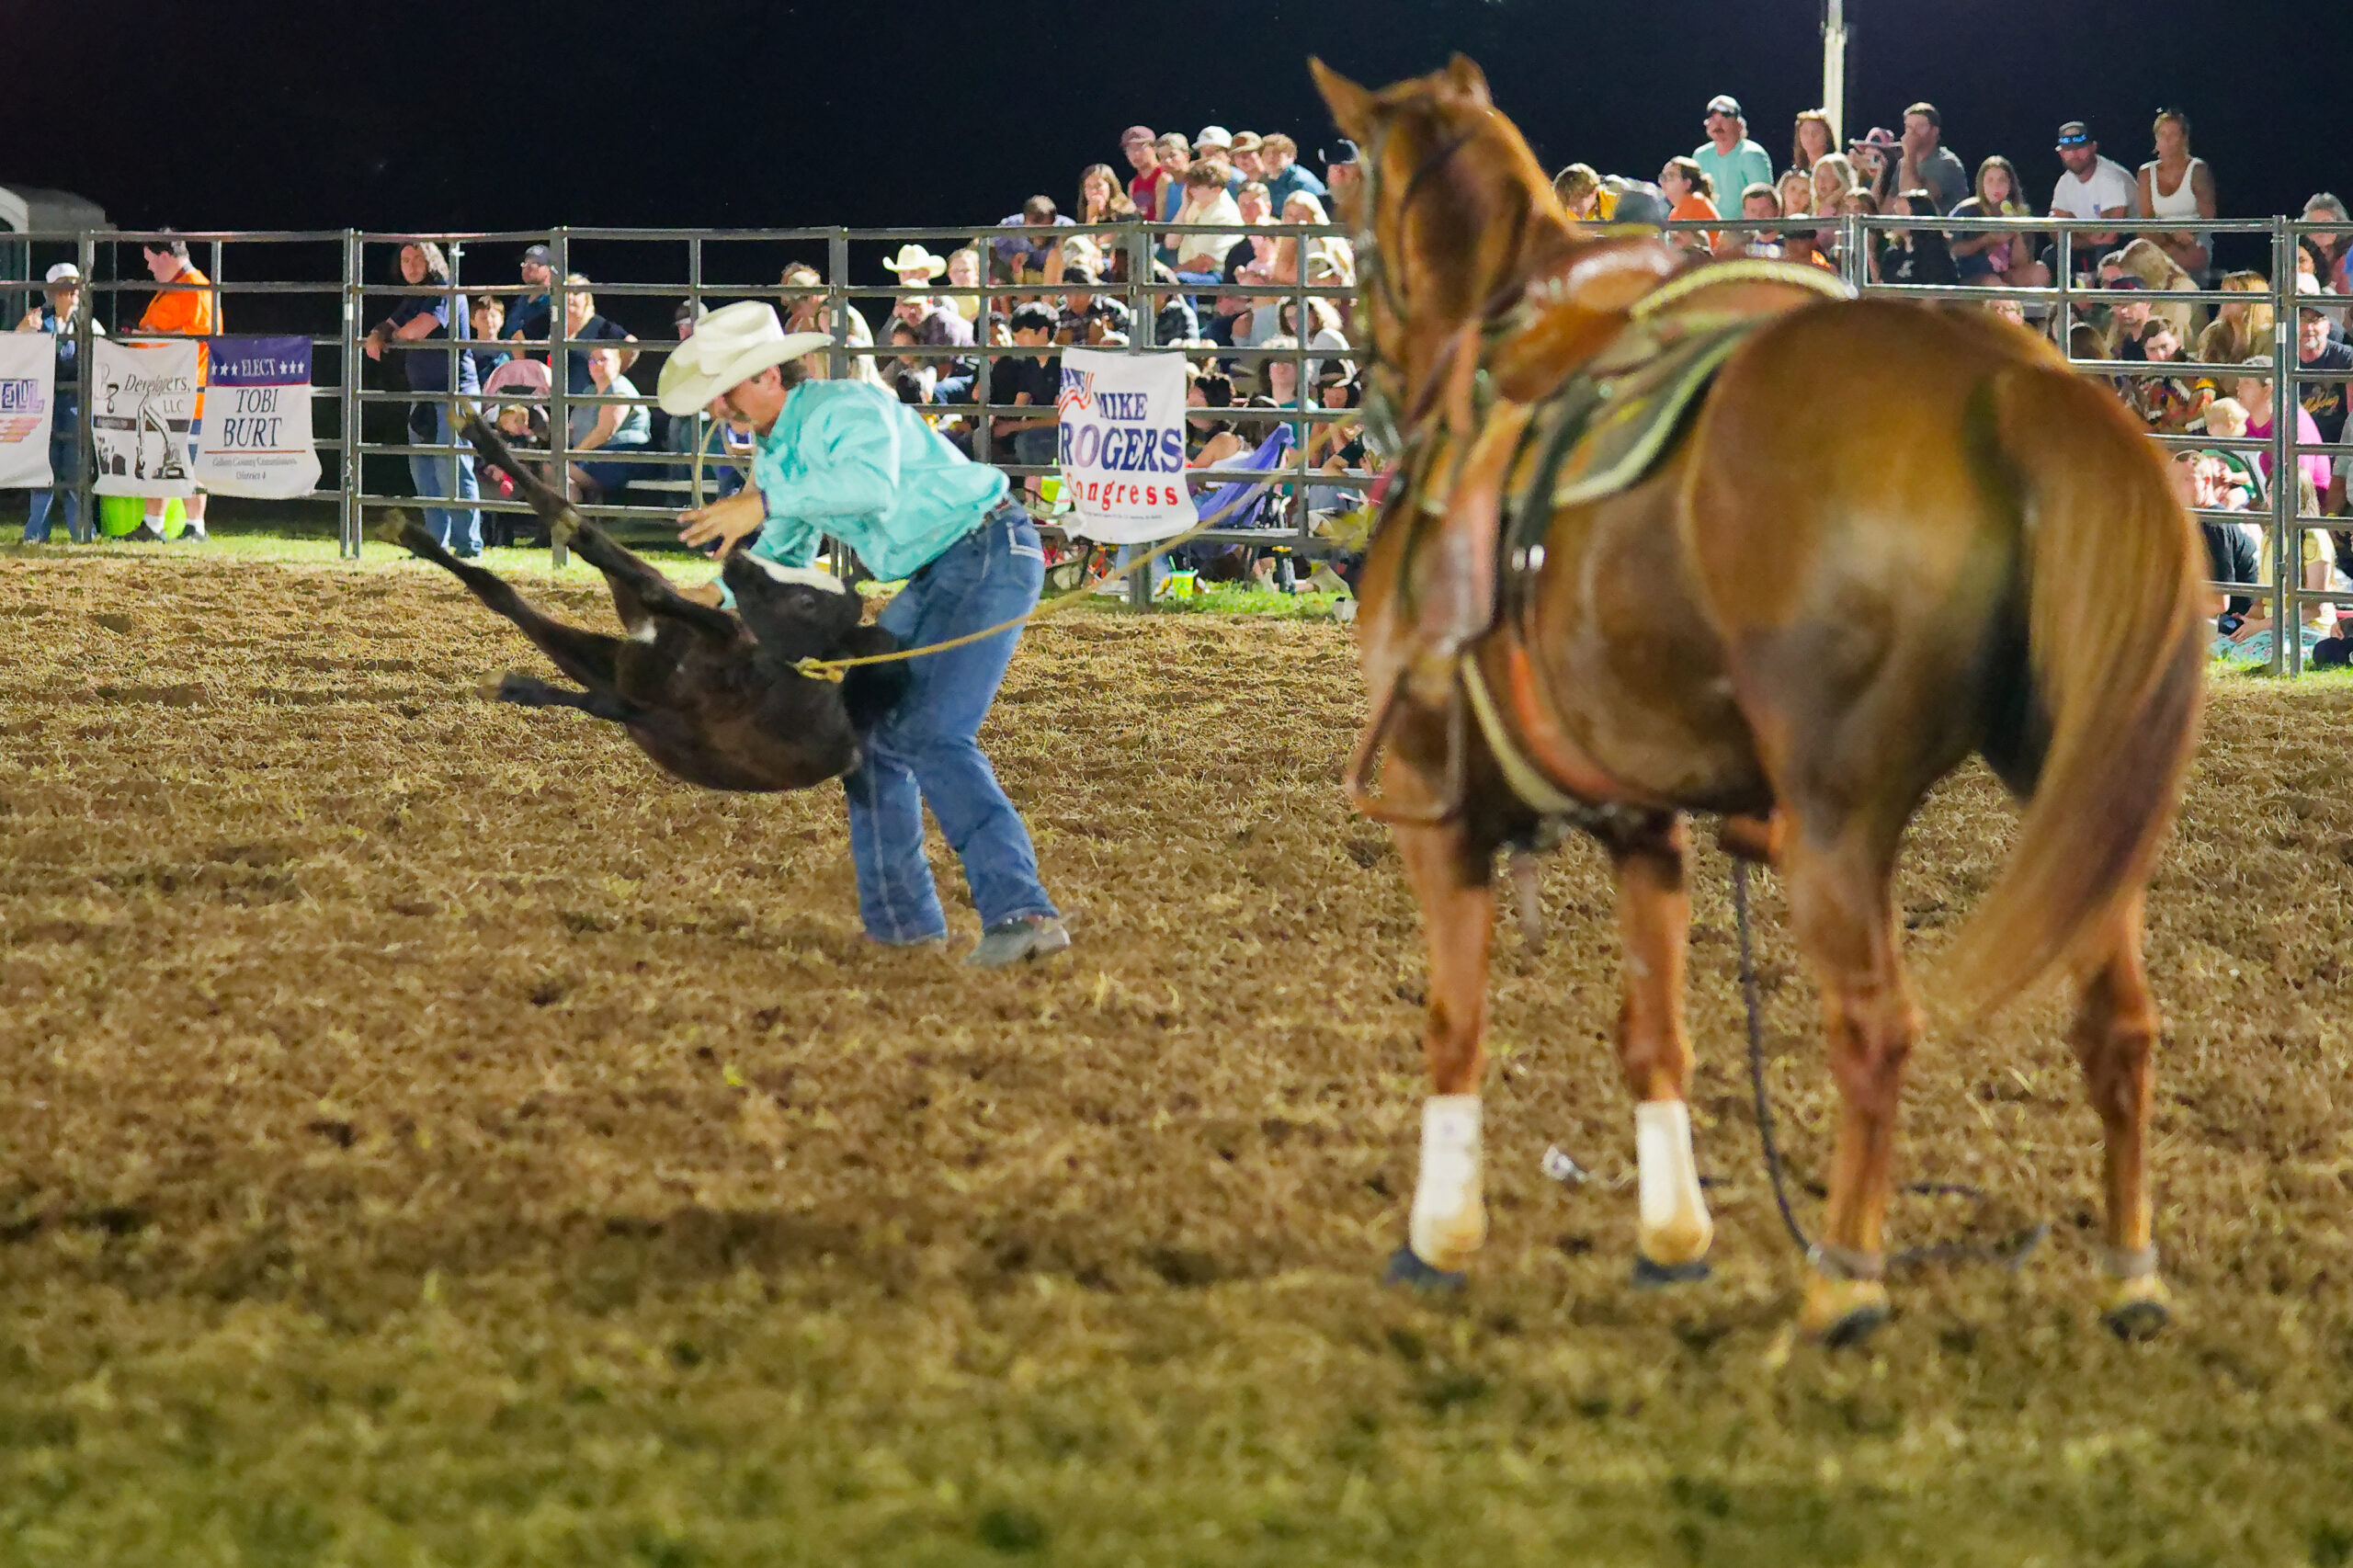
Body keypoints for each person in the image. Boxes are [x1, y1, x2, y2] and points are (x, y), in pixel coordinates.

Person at [664, 301, 1068, 968]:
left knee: (932, 732)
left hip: (984, 551)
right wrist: (719, 600)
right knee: (868, 735)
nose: (719, 411)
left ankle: (1021, 912)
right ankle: (903, 928)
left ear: (767, 377)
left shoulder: (843, 408)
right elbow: (786, 551)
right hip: (955, 562)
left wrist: (760, 501)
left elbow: (867, 487)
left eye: (724, 393)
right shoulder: (783, 446)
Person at [365, 241, 481, 556]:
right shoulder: (416, 296)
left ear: (432, 262)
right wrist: (379, 333)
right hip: (425, 395)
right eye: (405, 260)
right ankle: (434, 544)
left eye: (417, 259)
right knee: (425, 471)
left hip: (455, 393)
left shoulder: (443, 290)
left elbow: (417, 329)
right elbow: (389, 325)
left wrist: (388, 337)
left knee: (452, 468)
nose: (411, 266)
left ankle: (468, 545)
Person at [135, 232, 219, 540]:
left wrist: (156, 335)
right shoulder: (180, 287)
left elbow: (200, 335)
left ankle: (195, 526)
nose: (149, 268)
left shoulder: (195, 287)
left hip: (188, 390)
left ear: (165, 257)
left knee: (187, 458)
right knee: (161, 456)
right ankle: (154, 524)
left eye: (150, 261)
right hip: (166, 387)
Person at [16, 262, 102, 543]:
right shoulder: (40, 321)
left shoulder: (88, 323)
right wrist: (23, 332)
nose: (73, 292)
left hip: (76, 404)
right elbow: (16, 351)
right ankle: (36, 533)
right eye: (67, 287)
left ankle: (81, 532)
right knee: (44, 468)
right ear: (55, 292)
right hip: (46, 403)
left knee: (76, 469)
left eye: (75, 286)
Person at [2049, 121, 2138, 279]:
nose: (2074, 153)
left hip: (2128, 240)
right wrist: (2089, 238)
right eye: (2068, 149)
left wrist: (2076, 230)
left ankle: (2108, 301)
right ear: (2061, 153)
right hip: (2092, 245)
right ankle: (2069, 302)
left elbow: (2110, 236)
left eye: (2080, 147)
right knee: (2051, 255)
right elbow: (2057, 233)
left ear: (2093, 147)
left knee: (2104, 254)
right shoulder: (2064, 183)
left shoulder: (2110, 177)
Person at [987, 301, 1061, 487]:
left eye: (1025, 333)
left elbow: (1060, 417)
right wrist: (994, 419)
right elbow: (1019, 404)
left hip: (1058, 433)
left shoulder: (1063, 363)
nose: (1018, 339)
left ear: (1044, 331)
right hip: (1034, 427)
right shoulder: (1030, 363)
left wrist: (1014, 426)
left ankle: (1036, 493)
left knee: (1026, 441)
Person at [1948, 156, 2050, 288]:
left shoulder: (2019, 213)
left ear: (2010, 185)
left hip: (2004, 274)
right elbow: (1951, 249)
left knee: (2040, 271)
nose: (1996, 186)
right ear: (1981, 184)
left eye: (2002, 180)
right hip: (1973, 276)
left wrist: (2016, 233)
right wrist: (1987, 239)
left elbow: (2020, 264)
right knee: (1994, 283)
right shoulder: (1967, 210)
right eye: (1990, 181)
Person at [2137, 110, 2215, 281]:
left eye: (2173, 134)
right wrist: (2171, 233)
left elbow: (2208, 216)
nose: (2167, 140)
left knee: (2194, 254)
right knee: (2143, 236)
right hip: (2160, 236)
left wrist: (2187, 233)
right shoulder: (2145, 172)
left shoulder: (2198, 169)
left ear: (2184, 138)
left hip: (2192, 237)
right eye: (2162, 134)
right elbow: (2147, 217)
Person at [566, 345, 652, 500]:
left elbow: (604, 432)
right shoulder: (589, 392)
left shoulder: (619, 390)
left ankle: (577, 518)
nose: (597, 364)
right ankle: (573, 517)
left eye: (603, 359)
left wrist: (569, 456)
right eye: (592, 360)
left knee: (553, 470)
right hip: (589, 456)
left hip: (619, 456)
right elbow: (571, 428)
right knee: (560, 479)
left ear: (618, 362)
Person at [556, 276, 637, 397]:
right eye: (566, 292)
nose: (569, 297)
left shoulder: (600, 326)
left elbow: (632, 345)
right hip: (554, 401)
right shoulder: (552, 324)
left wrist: (613, 372)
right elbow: (520, 335)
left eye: (576, 292)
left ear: (587, 299)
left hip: (586, 402)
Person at [1693, 96, 1772, 217]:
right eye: (1713, 117)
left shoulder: (1752, 155)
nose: (1718, 123)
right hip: (1708, 230)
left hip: (1744, 231)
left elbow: (1764, 203)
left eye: (1725, 117)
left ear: (1739, 124)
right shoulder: (1700, 155)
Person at [1170, 161, 1244, 278]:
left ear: (1216, 189)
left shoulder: (1224, 214)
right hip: (1190, 271)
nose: (1191, 190)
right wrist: (1185, 205)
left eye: (1197, 186)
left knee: (1175, 280)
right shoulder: (1196, 204)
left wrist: (1170, 274)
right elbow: (1170, 243)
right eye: (1190, 185)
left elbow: (1204, 264)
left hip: (1215, 275)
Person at [1895, 103, 1969, 214]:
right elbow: (1886, 208)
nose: (1912, 133)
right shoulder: (1903, 163)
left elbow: (1916, 203)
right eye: (1909, 127)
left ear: (1934, 131)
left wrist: (1909, 155)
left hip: (1938, 229)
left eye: (1919, 127)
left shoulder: (1947, 163)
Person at [1876, 190, 1958, 287]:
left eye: (1901, 212)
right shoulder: (1891, 254)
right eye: (1894, 212)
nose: (1895, 218)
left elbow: (1935, 294)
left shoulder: (1935, 253)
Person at [2197, 270, 2274, 368]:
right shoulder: (2212, 333)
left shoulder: (2269, 337)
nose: (2225, 297)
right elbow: (2202, 376)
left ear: (2253, 302)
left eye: (2234, 291)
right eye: (2224, 291)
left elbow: (2264, 379)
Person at [991, 198, 1072, 287]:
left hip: (1058, 283)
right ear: (1024, 221)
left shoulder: (1068, 230)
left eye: (1045, 230)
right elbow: (981, 244)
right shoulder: (1009, 228)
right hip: (1014, 280)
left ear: (1053, 222)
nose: (1039, 236)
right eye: (1034, 230)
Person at [1658, 156, 1720, 252]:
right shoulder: (1675, 211)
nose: (1663, 182)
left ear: (1687, 183)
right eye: (1662, 177)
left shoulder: (1696, 202)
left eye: (1670, 176)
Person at [1259, 133, 1327, 212]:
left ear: (1291, 157)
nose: (1271, 157)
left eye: (1277, 153)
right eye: (1266, 153)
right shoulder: (1266, 179)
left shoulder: (1299, 181)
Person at [506, 243, 554, 347]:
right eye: (525, 263)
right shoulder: (520, 301)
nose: (527, 268)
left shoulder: (554, 302)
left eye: (535, 263)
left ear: (549, 268)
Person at [1120, 126, 1171, 224]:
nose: (1136, 154)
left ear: (1154, 148)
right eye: (1129, 149)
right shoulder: (1133, 184)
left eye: (1140, 147)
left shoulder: (1164, 175)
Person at [1847, 127, 1900, 206]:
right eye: (1868, 156)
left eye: (1876, 158)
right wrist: (1851, 168)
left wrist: (1880, 173)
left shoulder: (1895, 181)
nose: (1872, 162)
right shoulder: (1862, 179)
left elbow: (1872, 208)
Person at [1790, 109, 1836, 176]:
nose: (1810, 137)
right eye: (1805, 132)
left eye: (1816, 132)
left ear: (1827, 135)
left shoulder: (1836, 169)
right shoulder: (1795, 174)